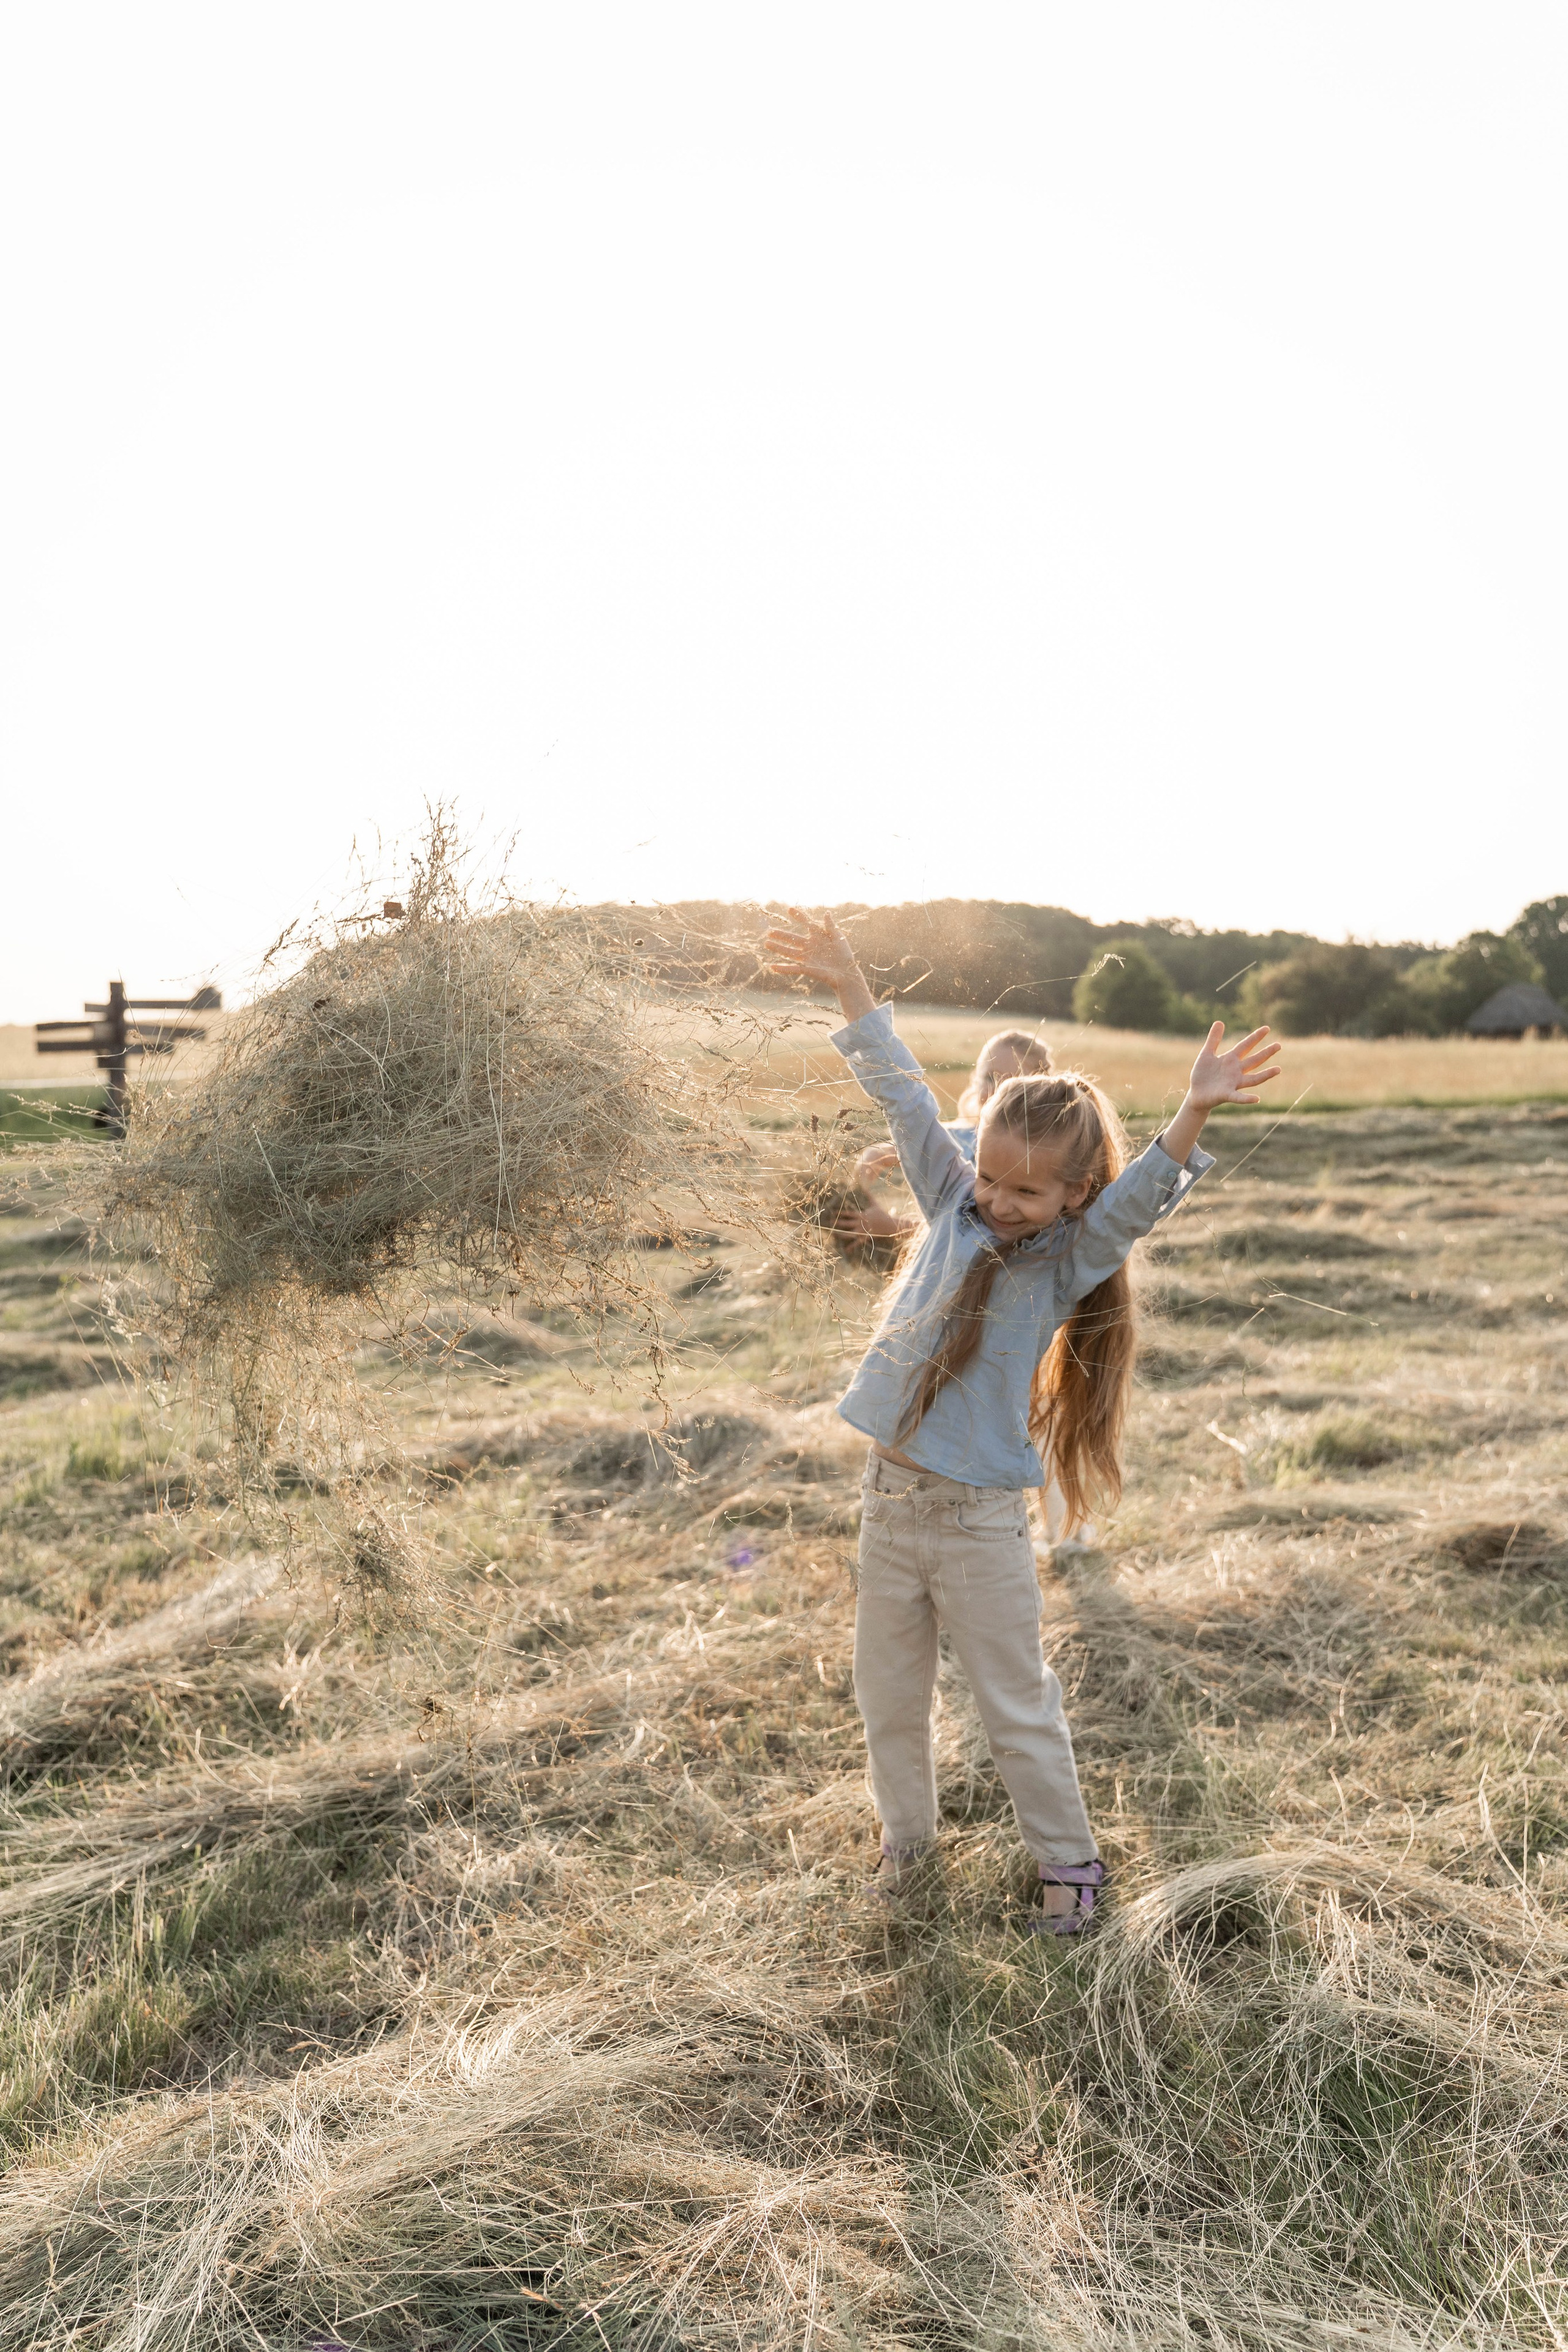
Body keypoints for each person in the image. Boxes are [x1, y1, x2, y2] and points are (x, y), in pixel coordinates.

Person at [764, 907, 1280, 1932]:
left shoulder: (1064, 1261)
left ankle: (1071, 1874)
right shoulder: (952, 1201)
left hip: (977, 1525)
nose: (998, 1202)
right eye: (991, 1177)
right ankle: (907, 1851)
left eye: (1027, 1191)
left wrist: (1193, 1111)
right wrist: (851, 984)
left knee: (1015, 1707)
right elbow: (903, 1093)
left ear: (1074, 1194)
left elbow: (1139, 1203)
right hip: (888, 1502)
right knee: (887, 1700)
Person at [844, 1027, 1055, 1246]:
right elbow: (882, 1154)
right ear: (975, 1080)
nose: (995, 1093)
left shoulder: (1027, 1158)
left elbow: (972, 1230)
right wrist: (863, 1191)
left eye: (1011, 1084)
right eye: (989, 1078)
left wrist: (893, 1227)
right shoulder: (958, 1135)